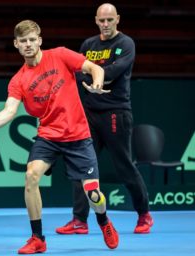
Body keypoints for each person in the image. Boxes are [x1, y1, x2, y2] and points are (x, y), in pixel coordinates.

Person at [0, 19, 119, 254]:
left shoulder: (60, 55)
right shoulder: (18, 80)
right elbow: (9, 111)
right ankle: (37, 238)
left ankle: (104, 221)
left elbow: (94, 68)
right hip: (48, 136)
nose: (28, 45)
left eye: (31, 40)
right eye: (23, 41)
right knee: (31, 176)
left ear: (39, 40)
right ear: (16, 44)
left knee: (94, 196)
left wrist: (97, 83)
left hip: (78, 137)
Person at [55, 3, 153, 236]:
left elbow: (113, 71)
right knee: (83, 166)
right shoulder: (88, 45)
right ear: (96, 20)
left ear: (117, 19)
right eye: (102, 20)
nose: (106, 24)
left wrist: (96, 73)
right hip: (88, 113)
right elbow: (78, 73)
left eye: (110, 20)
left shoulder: (125, 44)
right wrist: (93, 73)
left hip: (115, 113)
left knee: (124, 166)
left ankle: (144, 214)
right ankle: (79, 220)